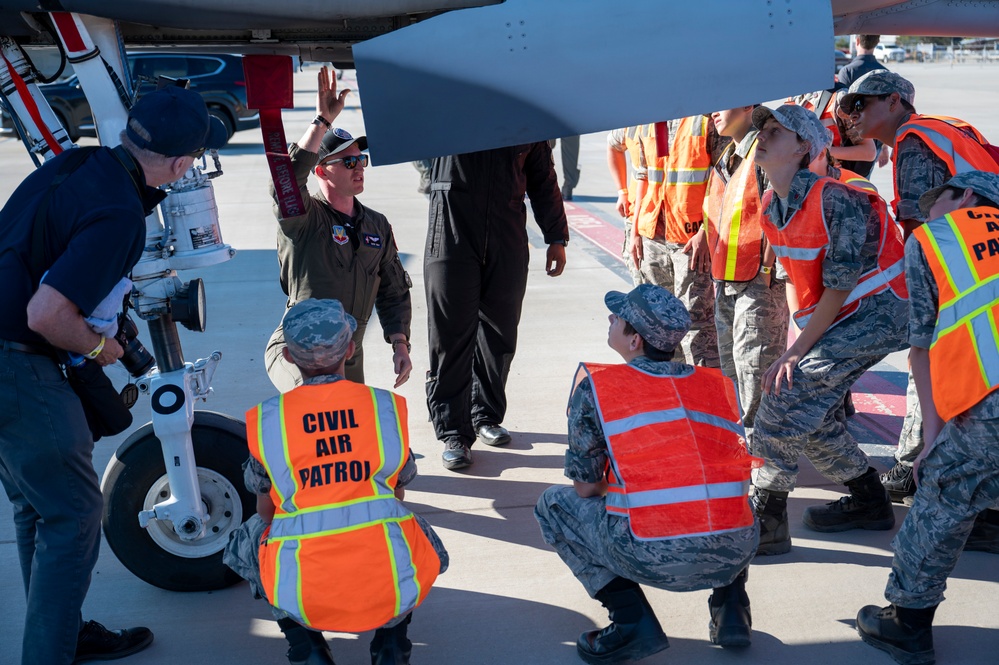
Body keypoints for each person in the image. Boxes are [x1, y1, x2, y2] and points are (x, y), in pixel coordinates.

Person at [0, 85, 226, 665]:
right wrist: (99, 344)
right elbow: (47, 315)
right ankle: (50, 653)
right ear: (181, 165)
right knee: (74, 515)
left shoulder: (77, 161)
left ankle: (64, 632)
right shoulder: (120, 211)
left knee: (39, 507)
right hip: (18, 365)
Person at [535, 284, 760, 664]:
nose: (610, 318)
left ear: (634, 339)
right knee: (722, 495)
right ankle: (731, 608)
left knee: (553, 506)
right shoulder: (717, 386)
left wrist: (627, 482)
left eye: (618, 317)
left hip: (652, 555)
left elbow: (586, 488)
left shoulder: (599, 389)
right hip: (736, 549)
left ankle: (630, 622)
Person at [224, 299, 448, 665]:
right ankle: (392, 644)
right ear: (351, 348)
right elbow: (397, 493)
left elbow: (266, 513)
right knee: (412, 529)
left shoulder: (270, 421)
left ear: (289, 358)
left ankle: (306, 647)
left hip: (305, 590)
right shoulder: (382, 409)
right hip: (384, 579)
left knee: (249, 537)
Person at [749, 104, 909, 555]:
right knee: (810, 415)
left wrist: (796, 352)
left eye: (777, 131)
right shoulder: (770, 205)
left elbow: (839, 287)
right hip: (844, 317)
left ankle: (768, 517)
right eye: (763, 128)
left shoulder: (837, 198)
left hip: (881, 312)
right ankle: (868, 499)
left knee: (785, 395)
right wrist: (797, 345)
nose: (763, 135)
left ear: (804, 148)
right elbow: (805, 286)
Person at [856, 172, 999, 665]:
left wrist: (930, 442)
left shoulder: (936, 239)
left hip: (991, 407)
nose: (929, 212)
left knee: (941, 497)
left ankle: (907, 623)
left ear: (968, 197)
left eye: (939, 200)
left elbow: (921, 350)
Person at [841, 69, 999, 517]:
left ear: (893, 102)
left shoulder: (914, 140)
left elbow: (922, 230)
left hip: (964, 267)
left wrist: (925, 288)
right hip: (985, 253)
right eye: (849, 106)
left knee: (930, 354)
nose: (852, 114)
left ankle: (917, 464)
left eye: (861, 104)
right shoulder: (941, 129)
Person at [265, 66, 413, 393]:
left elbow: (393, 288)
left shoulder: (377, 224)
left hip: (348, 353)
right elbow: (285, 182)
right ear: (321, 170)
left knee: (354, 433)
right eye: (348, 162)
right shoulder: (303, 218)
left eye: (362, 161)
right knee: (319, 403)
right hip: (300, 350)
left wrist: (400, 343)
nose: (359, 168)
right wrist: (321, 122)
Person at [425, 143, 569, 470]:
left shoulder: (524, 117)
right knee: (450, 334)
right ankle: (454, 432)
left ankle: (484, 414)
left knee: (500, 329)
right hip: (452, 224)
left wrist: (556, 237)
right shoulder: (451, 99)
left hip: (507, 226)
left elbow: (542, 175)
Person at [698, 104, 788, 447]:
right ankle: (745, 443)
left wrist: (767, 268)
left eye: (721, 103)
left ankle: (761, 455)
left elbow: (778, 213)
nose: (712, 112)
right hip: (728, 277)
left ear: (748, 106)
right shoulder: (730, 154)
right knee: (733, 368)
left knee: (755, 370)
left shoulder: (761, 152)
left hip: (757, 281)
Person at [630, 116, 730, 367]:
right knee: (656, 325)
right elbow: (642, 176)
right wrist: (635, 231)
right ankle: (668, 391)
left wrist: (707, 231)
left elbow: (726, 176)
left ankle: (704, 394)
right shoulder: (647, 119)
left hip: (691, 240)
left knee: (696, 324)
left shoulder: (705, 119)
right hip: (652, 233)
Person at [607, 125, 647, 285]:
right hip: (639, 215)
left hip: (680, 222)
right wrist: (622, 191)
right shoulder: (634, 123)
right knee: (643, 287)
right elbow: (613, 145)